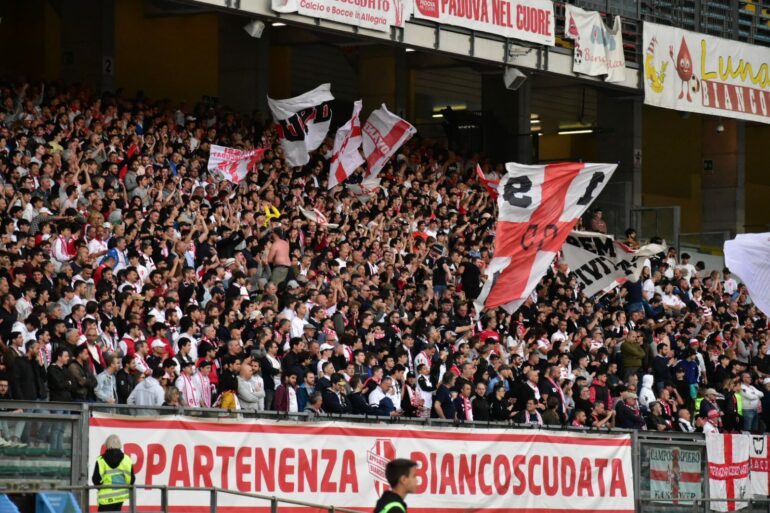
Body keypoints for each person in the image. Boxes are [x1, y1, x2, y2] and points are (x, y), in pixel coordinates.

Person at [92, 434, 135, 511]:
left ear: (107, 445)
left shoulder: (101, 460)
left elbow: (96, 480)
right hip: (119, 498)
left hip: (105, 499)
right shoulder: (127, 460)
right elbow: (131, 480)